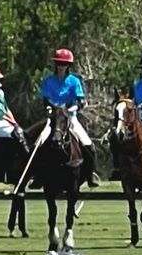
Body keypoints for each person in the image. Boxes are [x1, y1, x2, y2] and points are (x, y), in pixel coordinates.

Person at [38, 48, 97, 186]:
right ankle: (39, 176)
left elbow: (81, 101)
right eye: (58, 63)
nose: (61, 67)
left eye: (63, 64)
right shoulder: (48, 81)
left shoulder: (74, 81)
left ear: (68, 66)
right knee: (38, 144)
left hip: (70, 117)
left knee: (89, 145)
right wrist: (48, 108)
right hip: (52, 119)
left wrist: (73, 108)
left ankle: (90, 176)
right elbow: (45, 100)